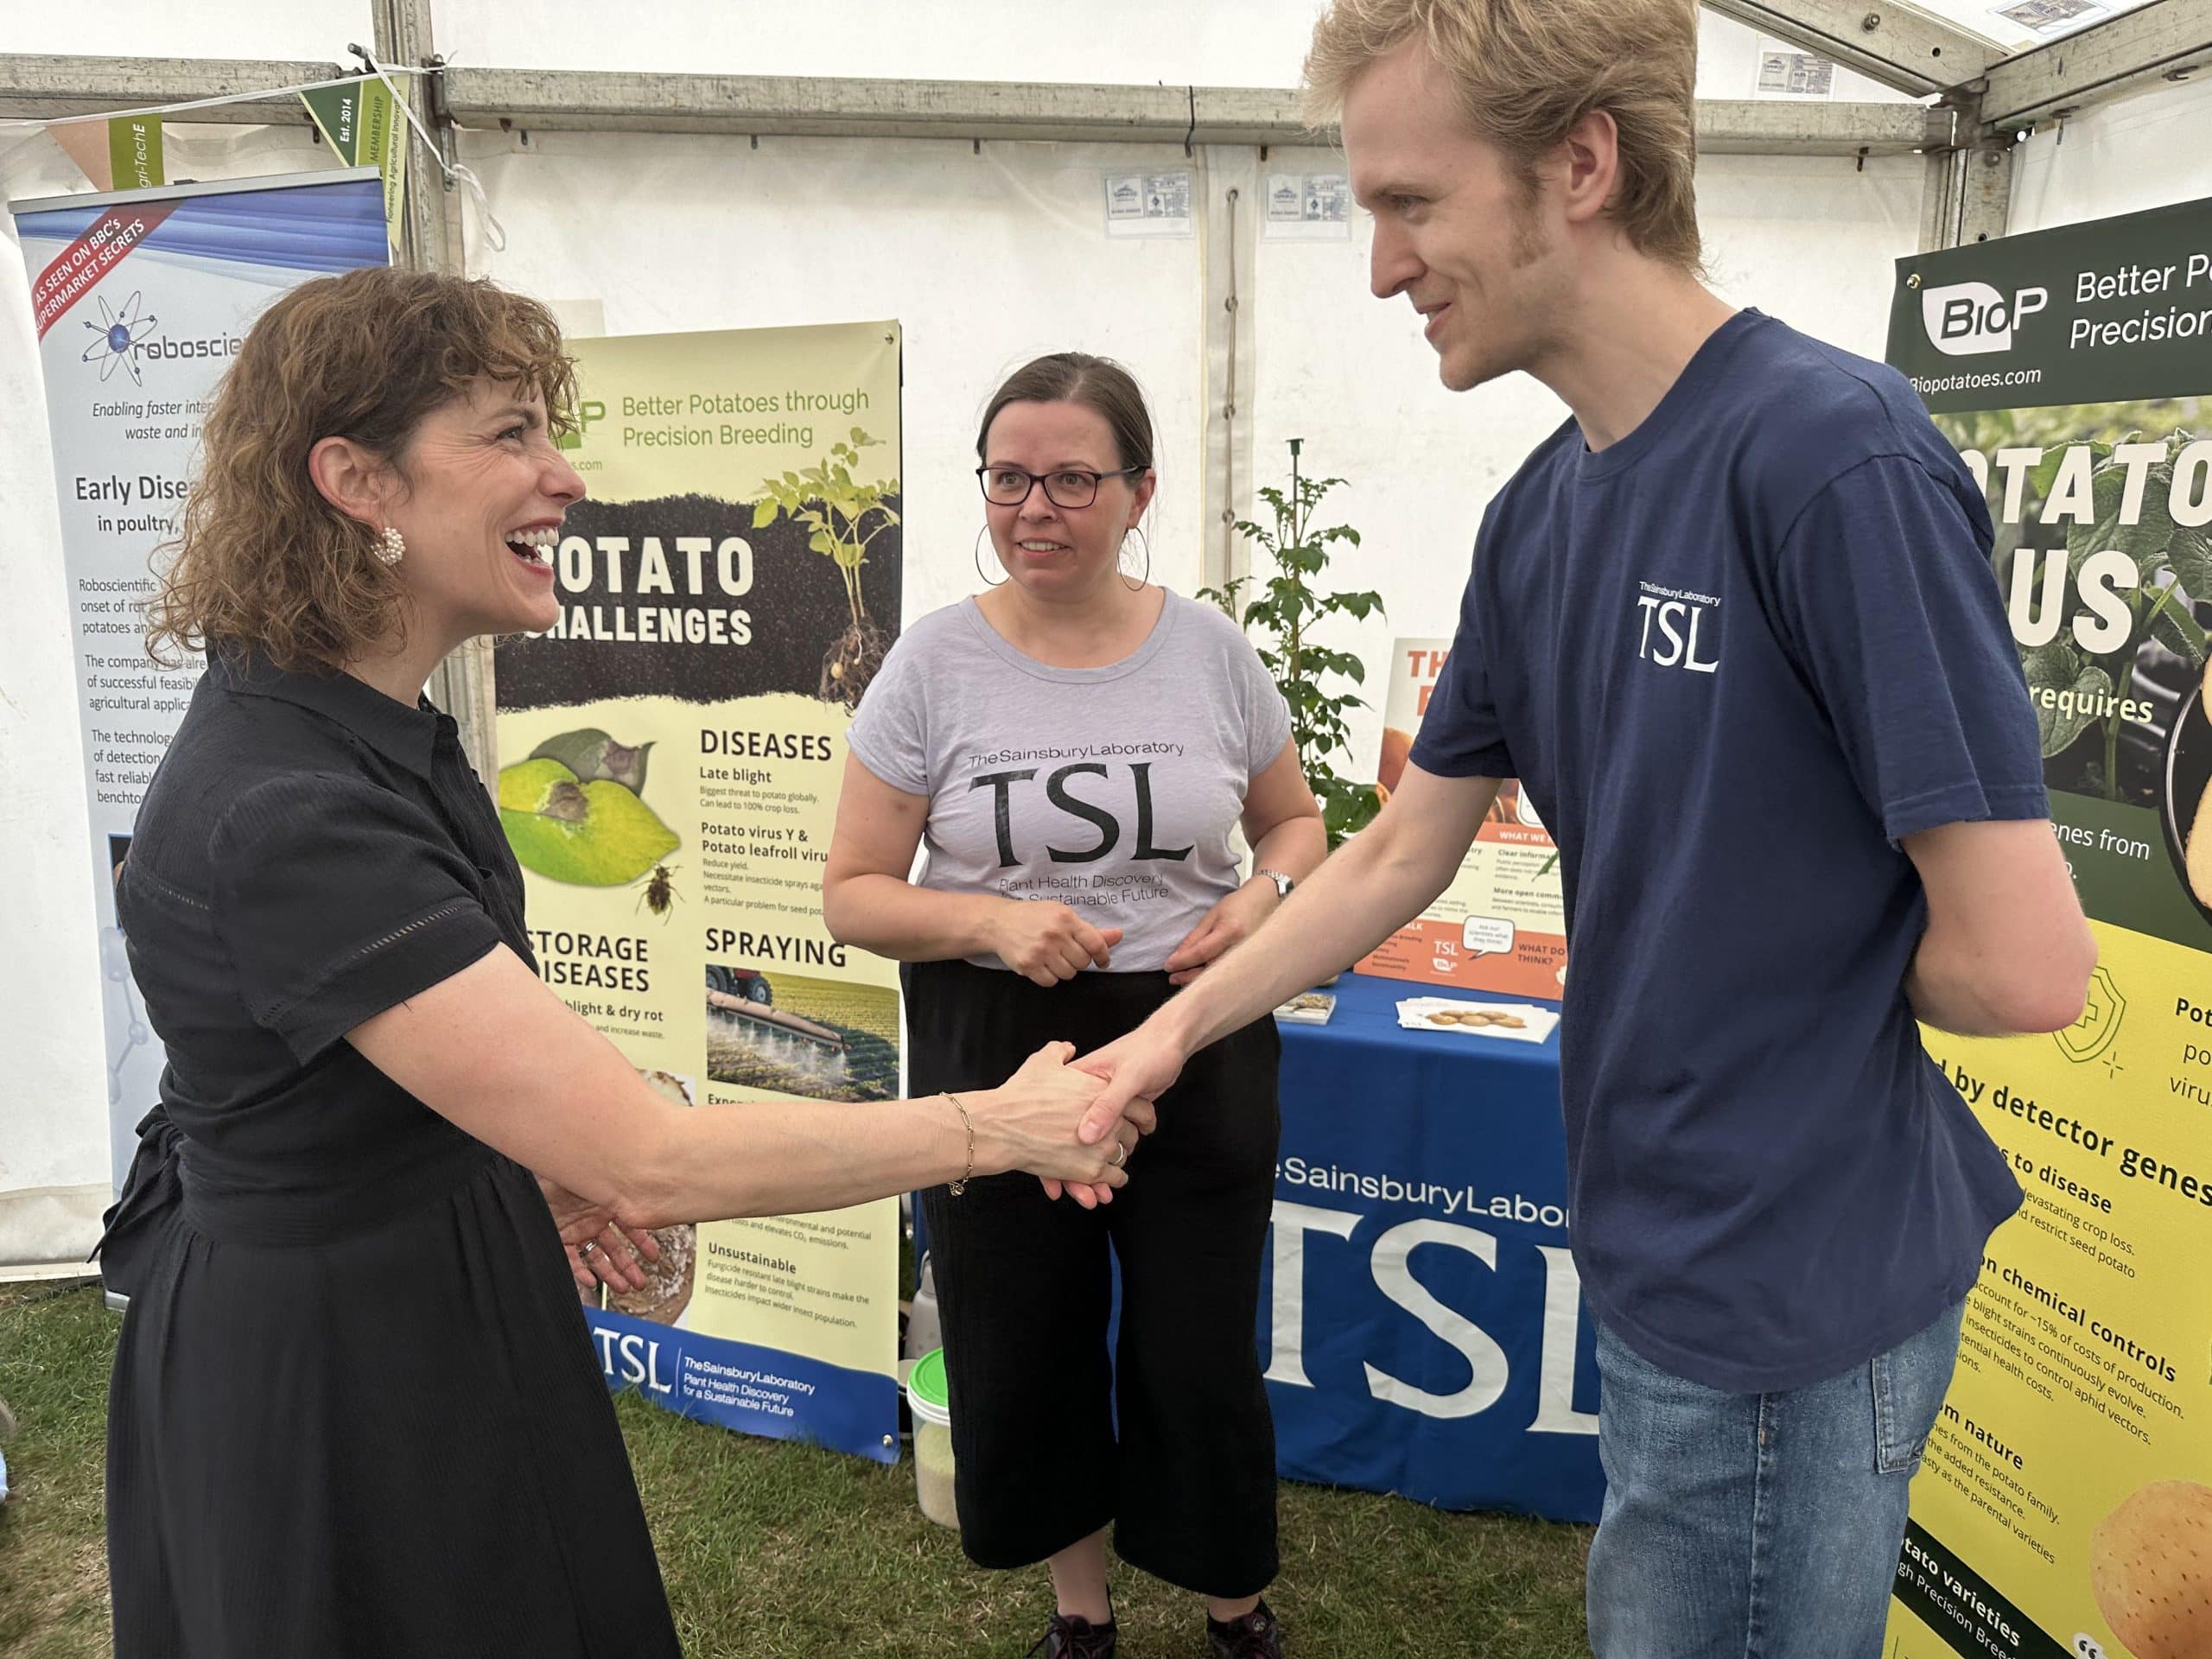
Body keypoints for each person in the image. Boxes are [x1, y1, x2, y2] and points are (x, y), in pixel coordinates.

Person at [1070, 4, 2100, 1655]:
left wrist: (1770, 964)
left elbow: (2026, 965)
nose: (1384, 265)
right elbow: (1404, 855)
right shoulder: (1542, 510)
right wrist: (1168, 1037)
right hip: (1654, 1248)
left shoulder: (1832, 458)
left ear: (1583, 164)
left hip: (1787, 1290)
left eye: (1412, 203)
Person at [102, 267, 1147, 1659]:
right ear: (357, 479)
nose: (566, 474)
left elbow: (356, 1058)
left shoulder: (361, 729)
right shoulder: (286, 803)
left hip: (427, 1285)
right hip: (334, 1372)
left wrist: (523, 1162)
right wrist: (998, 1126)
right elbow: (654, 1160)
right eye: (512, 433)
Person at [823, 353, 1326, 1659]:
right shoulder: (930, 667)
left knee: (1196, 1346)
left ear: (1139, 489)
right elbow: (854, 895)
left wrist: (1265, 899)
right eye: (1006, 478)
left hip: (1195, 1031)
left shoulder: (1212, 651)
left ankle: (1233, 1606)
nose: (1032, 507)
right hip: (999, 1046)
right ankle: (1082, 1617)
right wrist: (989, 919)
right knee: (1022, 1340)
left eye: (1070, 479)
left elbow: (1299, 825)